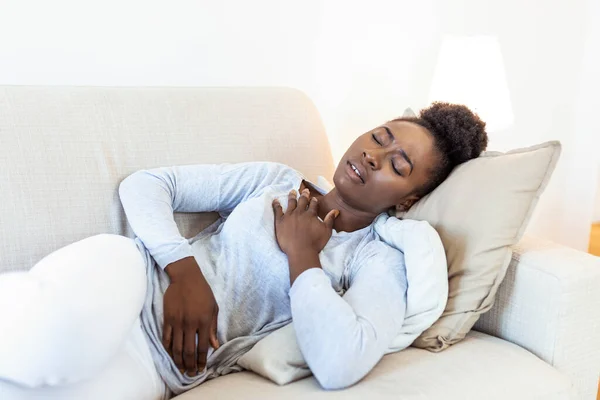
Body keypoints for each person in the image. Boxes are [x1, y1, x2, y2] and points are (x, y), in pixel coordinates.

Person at [0, 102, 487, 400]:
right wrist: (182, 269)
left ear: (407, 200)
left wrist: (303, 257)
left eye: (396, 164)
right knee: (42, 341)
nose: (372, 155)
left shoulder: (377, 259)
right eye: (378, 137)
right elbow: (148, 185)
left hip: (162, 368)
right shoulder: (274, 181)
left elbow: (342, 364)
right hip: (129, 279)